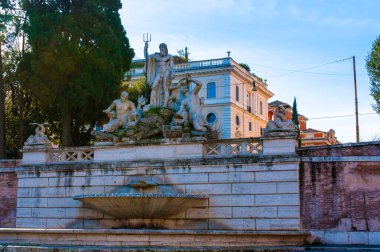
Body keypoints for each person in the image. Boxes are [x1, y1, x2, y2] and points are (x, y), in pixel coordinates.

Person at [145, 43, 174, 107]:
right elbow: (147, 58)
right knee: (154, 86)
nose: (161, 50)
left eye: (162, 49)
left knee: (165, 87)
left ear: (165, 49)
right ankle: (152, 104)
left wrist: (172, 73)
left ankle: (165, 104)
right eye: (160, 49)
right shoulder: (156, 56)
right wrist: (145, 49)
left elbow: (172, 67)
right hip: (159, 73)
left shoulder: (169, 56)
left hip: (166, 72)